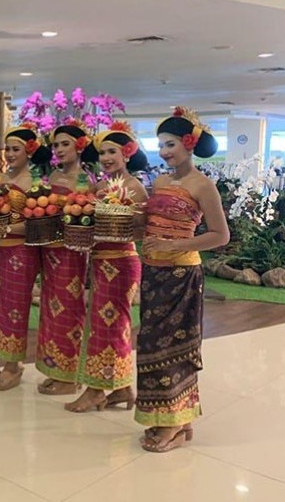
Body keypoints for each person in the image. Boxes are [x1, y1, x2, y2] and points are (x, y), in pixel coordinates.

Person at [136, 107, 228, 452]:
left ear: (189, 143)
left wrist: (176, 244)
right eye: (160, 144)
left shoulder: (203, 185)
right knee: (150, 345)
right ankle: (174, 419)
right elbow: (146, 225)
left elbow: (221, 235)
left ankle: (174, 423)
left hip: (182, 276)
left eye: (170, 144)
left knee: (174, 348)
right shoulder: (160, 182)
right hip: (152, 272)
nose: (164, 151)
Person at [65, 121, 148, 411]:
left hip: (122, 262)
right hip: (99, 261)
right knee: (105, 325)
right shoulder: (99, 187)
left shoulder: (135, 188)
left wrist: (122, 219)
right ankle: (122, 388)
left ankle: (97, 390)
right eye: (102, 153)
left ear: (127, 153)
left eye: (112, 151)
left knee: (111, 325)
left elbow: (142, 228)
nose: (107, 158)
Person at [0, 123, 52, 390]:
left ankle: (14, 366)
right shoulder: (1, 179)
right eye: (8, 149)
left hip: (22, 250)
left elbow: (38, 223)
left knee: (15, 308)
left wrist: (6, 228)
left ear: (29, 151)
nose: (10, 154)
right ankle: (8, 361)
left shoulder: (34, 182)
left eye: (16, 149)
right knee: (2, 305)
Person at [36, 122, 92, 395]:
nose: (58, 149)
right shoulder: (54, 178)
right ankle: (54, 367)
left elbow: (87, 219)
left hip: (72, 252)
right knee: (51, 307)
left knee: (69, 309)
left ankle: (70, 376)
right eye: (56, 145)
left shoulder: (86, 181)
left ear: (79, 146)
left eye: (65, 144)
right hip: (51, 250)